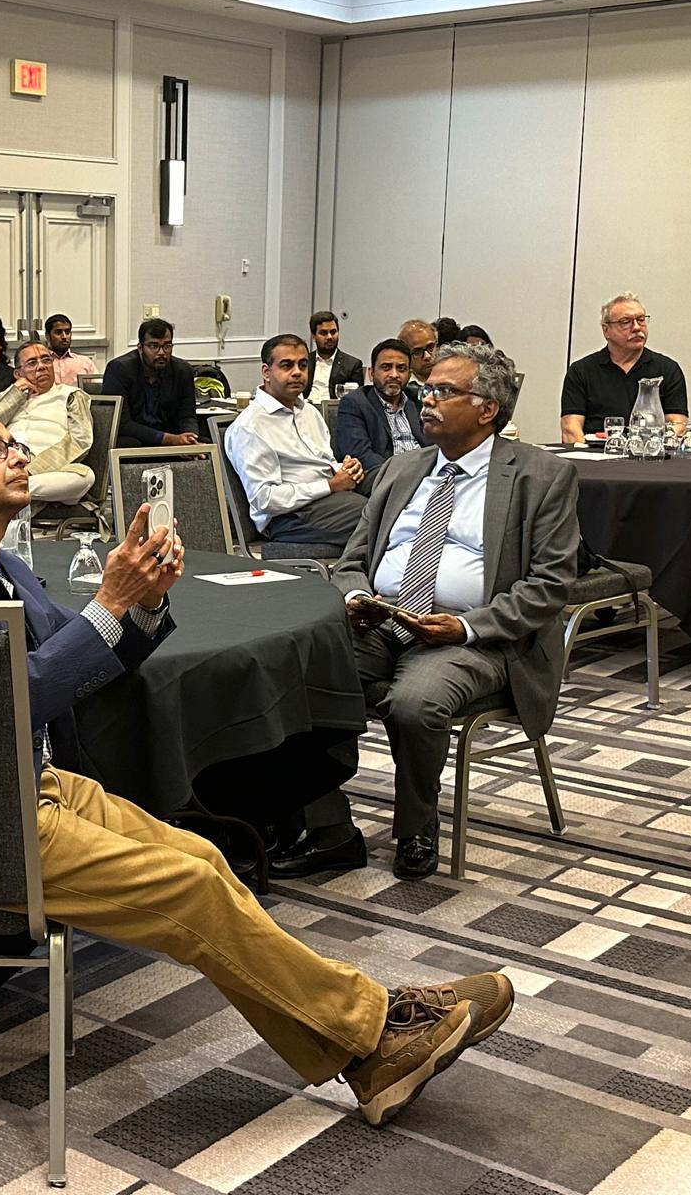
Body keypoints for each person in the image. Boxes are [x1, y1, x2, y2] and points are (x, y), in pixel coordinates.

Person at [0, 405, 515, 1125]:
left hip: (26, 784)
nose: (18, 455)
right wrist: (110, 600)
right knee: (192, 888)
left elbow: (82, 662)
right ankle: (375, 1030)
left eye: (14, 442)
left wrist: (144, 604)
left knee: (202, 856)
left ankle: (365, 1050)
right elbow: (5, 700)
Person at [334, 343, 580, 880]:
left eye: (443, 391)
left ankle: (416, 826)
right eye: (426, 390)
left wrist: (466, 626)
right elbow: (351, 561)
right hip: (382, 621)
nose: (426, 400)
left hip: (481, 639)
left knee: (414, 702)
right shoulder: (402, 468)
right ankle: (321, 824)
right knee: (301, 667)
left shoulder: (541, 476)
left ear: (487, 408)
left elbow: (550, 586)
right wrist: (356, 600)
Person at [224, 334, 366, 551]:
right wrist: (329, 486)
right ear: (266, 372)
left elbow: (323, 462)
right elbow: (265, 499)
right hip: (289, 517)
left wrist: (344, 469)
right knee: (376, 515)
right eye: (287, 365)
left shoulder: (309, 412)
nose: (297, 372)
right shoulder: (250, 427)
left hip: (329, 499)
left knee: (391, 487)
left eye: (303, 365)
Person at [560, 292, 687, 443]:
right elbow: (570, 428)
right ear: (606, 330)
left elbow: (677, 425)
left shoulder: (668, 369)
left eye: (641, 320)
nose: (636, 327)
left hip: (649, 453)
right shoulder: (581, 371)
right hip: (595, 453)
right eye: (625, 322)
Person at [0, 340, 95, 504]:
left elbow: (80, 441)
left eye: (46, 360)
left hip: (48, 469)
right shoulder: (9, 397)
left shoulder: (71, 395)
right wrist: (15, 393)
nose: (42, 366)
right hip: (6, 464)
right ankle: (11, 491)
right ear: (18, 374)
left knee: (85, 476)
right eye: (32, 363)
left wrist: (32, 469)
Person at [101, 318, 200, 447]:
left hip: (170, 435)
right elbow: (121, 423)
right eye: (154, 346)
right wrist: (170, 440)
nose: (162, 353)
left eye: (167, 346)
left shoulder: (182, 371)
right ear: (140, 348)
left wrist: (190, 439)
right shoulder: (119, 369)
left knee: (205, 444)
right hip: (135, 436)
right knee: (130, 443)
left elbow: (187, 416)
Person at [335, 338, 423, 479]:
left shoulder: (418, 401)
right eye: (386, 367)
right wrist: (401, 477)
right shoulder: (354, 403)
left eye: (401, 368)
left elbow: (436, 445)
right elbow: (360, 454)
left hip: (425, 475)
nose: (394, 375)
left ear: (409, 374)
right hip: (384, 478)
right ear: (371, 373)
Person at [307, 311, 365, 403]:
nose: (329, 337)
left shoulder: (352, 365)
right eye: (324, 333)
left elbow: (357, 401)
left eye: (333, 332)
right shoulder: (304, 361)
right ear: (313, 336)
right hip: (306, 408)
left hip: (335, 409)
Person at [44, 313, 96, 388]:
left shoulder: (85, 362)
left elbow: (98, 389)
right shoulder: (40, 364)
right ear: (47, 336)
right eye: (58, 332)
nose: (64, 336)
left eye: (67, 332)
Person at [398, 320, 439, 387]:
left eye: (430, 347)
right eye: (417, 352)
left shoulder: (453, 378)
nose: (427, 356)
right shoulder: (404, 389)